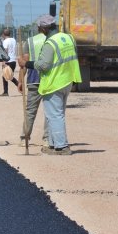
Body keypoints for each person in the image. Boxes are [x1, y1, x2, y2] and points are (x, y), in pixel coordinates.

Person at [32, 14, 81, 155]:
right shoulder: (68, 38)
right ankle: (53, 145)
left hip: (54, 82)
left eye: (40, 27)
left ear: (44, 28)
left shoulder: (50, 43)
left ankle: (62, 146)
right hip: (67, 80)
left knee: (55, 115)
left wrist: (28, 64)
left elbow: (44, 65)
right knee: (54, 114)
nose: (39, 29)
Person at [17, 25, 49, 148]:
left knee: (30, 112)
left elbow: (24, 63)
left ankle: (24, 138)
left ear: (38, 28)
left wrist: (20, 81)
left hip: (33, 80)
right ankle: (47, 139)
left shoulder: (30, 41)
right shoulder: (52, 40)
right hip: (49, 80)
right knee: (49, 112)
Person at [0, 29, 20, 96]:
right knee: (9, 76)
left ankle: (6, 92)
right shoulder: (13, 40)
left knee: (6, 76)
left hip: (8, 61)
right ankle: (19, 86)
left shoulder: (5, 41)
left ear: (3, 34)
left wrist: (4, 61)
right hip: (13, 60)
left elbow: (6, 51)